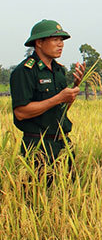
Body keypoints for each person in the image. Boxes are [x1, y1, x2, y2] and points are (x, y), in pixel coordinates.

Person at [10, 19, 85, 162]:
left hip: (62, 144)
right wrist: (59, 98)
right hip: (38, 146)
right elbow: (21, 113)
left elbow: (61, 109)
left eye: (62, 40)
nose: (60, 44)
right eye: (55, 39)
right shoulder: (25, 71)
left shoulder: (59, 71)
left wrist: (75, 87)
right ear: (39, 42)